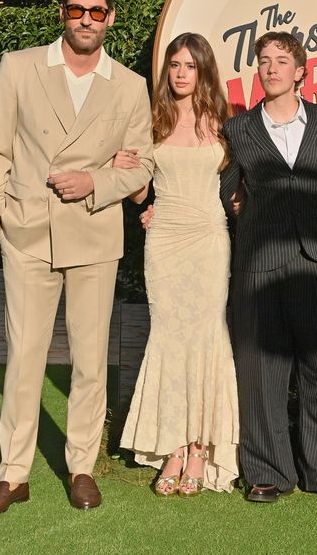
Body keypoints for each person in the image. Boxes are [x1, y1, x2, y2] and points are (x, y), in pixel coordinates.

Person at [0, 0, 154, 516]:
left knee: (91, 361)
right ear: (62, 14)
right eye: (76, 10)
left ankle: (80, 466)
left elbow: (143, 165)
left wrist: (97, 180)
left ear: (110, 19)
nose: (85, 20)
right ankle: (13, 474)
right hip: (27, 232)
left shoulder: (130, 85)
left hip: (95, 234)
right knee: (23, 358)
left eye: (96, 12)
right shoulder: (20, 67)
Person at [220, 30, 317, 505]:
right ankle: (267, 471)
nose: (271, 67)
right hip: (258, 263)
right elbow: (226, 190)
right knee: (260, 370)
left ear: (301, 71)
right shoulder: (238, 130)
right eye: (264, 60)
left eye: (282, 60)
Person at [117, 33, 239, 497]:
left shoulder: (223, 123)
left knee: (207, 338)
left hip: (209, 239)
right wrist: (126, 172)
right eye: (174, 64)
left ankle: (200, 448)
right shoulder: (152, 121)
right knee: (169, 337)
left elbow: (236, 182)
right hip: (165, 240)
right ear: (166, 71)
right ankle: (172, 447)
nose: (181, 72)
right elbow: (139, 193)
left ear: (203, 70)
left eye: (190, 64)